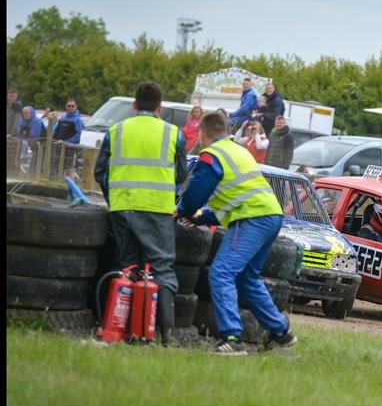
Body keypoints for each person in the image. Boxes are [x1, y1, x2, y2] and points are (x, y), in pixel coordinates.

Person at [175, 111, 297, 355]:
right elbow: (234, 195)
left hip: (250, 218)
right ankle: (280, 332)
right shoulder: (238, 150)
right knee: (246, 278)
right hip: (270, 215)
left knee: (221, 272)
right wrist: (202, 217)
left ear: (202, 133)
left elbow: (197, 192)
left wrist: (182, 210)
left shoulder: (212, 155)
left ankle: (232, 338)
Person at [93, 81, 187, 345]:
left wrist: (116, 199)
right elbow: (180, 173)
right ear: (160, 107)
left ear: (134, 105)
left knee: (126, 266)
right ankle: (166, 335)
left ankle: (119, 329)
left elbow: (100, 172)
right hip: (157, 209)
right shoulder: (174, 133)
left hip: (122, 208)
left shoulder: (115, 130)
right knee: (162, 268)